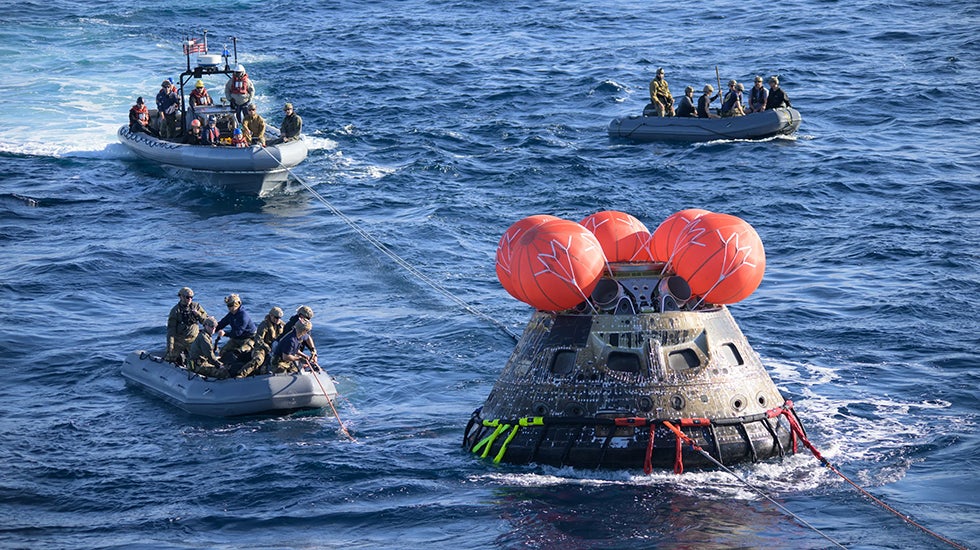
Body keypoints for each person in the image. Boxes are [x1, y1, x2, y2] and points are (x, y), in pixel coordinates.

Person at [237, 306, 285, 378]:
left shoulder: (282, 325)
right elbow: (258, 339)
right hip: (262, 347)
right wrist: (267, 348)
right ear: (271, 316)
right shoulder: (264, 325)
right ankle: (242, 374)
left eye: (279, 318)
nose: (278, 320)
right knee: (258, 359)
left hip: (275, 347)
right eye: (276, 317)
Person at [165, 287, 208, 364]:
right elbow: (171, 330)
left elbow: (206, 322)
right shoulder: (175, 310)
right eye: (187, 297)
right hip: (179, 339)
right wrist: (170, 347)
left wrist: (198, 315)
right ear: (181, 297)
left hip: (193, 339)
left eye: (191, 297)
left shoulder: (196, 307)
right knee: (170, 358)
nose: (190, 299)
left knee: (200, 360)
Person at [215, 293, 257, 364]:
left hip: (248, 338)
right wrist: (209, 330)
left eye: (231, 305)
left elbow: (238, 332)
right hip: (237, 338)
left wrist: (225, 333)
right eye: (228, 305)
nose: (229, 308)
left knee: (240, 352)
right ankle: (222, 366)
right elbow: (221, 324)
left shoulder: (243, 316)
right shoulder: (231, 315)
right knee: (223, 351)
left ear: (237, 304)